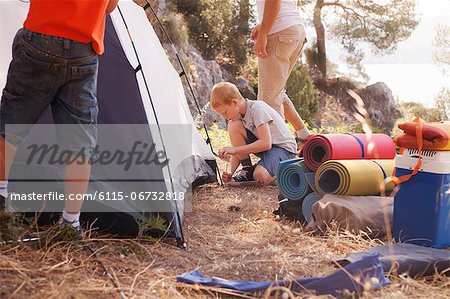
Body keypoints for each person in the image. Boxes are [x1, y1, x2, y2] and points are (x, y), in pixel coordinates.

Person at [0, 0, 119, 238]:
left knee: (10, 127)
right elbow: (108, 7)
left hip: (40, 37)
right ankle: (70, 225)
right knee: (79, 144)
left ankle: (1, 201)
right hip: (83, 50)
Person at [210, 82, 297, 184]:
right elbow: (238, 149)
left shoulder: (257, 110)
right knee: (233, 125)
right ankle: (247, 169)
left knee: (260, 176)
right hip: (268, 150)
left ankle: (284, 172)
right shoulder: (239, 116)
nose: (224, 116)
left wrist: (234, 150)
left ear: (234, 102)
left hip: (283, 149)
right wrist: (230, 172)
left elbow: (266, 143)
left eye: (225, 112)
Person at [252, 0, 312, 146]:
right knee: (276, 91)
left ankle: (282, 152)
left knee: (268, 99)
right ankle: (304, 136)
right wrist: (264, 25)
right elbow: (294, 3)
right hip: (295, 30)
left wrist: (264, 34)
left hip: (280, 33)